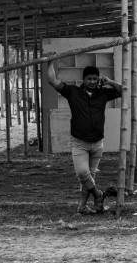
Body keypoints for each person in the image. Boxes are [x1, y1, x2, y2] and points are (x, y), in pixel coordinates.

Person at [48, 62, 122, 215]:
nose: (92, 82)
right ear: (84, 80)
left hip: (97, 143)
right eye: (89, 79)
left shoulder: (103, 93)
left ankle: (82, 206)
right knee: (82, 173)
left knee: (90, 177)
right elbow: (52, 81)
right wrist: (49, 62)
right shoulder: (73, 92)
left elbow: (124, 91)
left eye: (95, 79)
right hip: (79, 143)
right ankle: (98, 195)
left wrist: (109, 82)